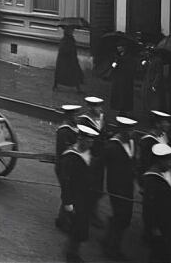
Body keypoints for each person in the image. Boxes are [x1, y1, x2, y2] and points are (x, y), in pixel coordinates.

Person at [60, 123, 100, 263]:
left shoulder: (89, 154)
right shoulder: (70, 156)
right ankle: (71, 254)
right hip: (75, 198)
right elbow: (65, 182)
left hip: (86, 197)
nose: (90, 144)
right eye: (88, 141)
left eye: (92, 141)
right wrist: (67, 202)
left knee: (82, 226)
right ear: (80, 139)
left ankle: (72, 250)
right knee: (77, 226)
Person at [102, 116, 137, 260]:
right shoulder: (112, 146)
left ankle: (107, 239)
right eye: (129, 130)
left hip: (128, 186)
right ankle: (112, 248)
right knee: (121, 216)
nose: (132, 132)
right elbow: (100, 164)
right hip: (116, 187)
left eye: (133, 129)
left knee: (125, 217)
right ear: (122, 130)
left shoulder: (132, 143)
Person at [141, 143, 171, 263]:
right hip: (158, 222)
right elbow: (149, 206)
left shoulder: (168, 173)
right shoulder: (152, 179)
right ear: (159, 161)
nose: (170, 163)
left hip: (168, 219)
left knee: (164, 250)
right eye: (167, 160)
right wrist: (154, 226)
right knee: (158, 252)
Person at [77, 96, 106, 228]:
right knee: (84, 186)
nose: (100, 109)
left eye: (100, 106)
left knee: (97, 187)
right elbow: (82, 140)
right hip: (88, 157)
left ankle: (93, 212)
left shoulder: (102, 119)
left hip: (99, 158)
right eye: (97, 107)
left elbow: (105, 134)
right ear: (90, 107)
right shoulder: (84, 120)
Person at [54, 105, 82, 232]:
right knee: (67, 193)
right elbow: (63, 152)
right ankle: (62, 220)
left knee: (68, 193)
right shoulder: (64, 131)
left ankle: (62, 219)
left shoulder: (74, 128)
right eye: (75, 115)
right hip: (64, 167)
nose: (78, 117)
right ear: (69, 116)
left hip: (71, 166)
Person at [137, 110, 171, 177]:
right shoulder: (148, 141)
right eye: (165, 122)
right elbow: (145, 164)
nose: (168, 124)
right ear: (157, 124)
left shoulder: (164, 137)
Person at [54, 26, 84, 92]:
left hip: (71, 59)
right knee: (66, 73)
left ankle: (78, 88)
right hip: (65, 60)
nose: (72, 32)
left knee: (75, 73)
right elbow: (63, 50)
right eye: (71, 30)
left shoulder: (70, 39)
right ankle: (55, 85)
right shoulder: (65, 40)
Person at [109, 44, 135, 116]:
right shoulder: (118, 56)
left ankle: (124, 110)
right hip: (118, 79)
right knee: (118, 94)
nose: (118, 48)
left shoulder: (128, 57)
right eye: (118, 46)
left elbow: (129, 68)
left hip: (125, 79)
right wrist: (114, 64)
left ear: (124, 47)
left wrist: (119, 62)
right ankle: (120, 109)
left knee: (124, 94)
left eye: (119, 46)